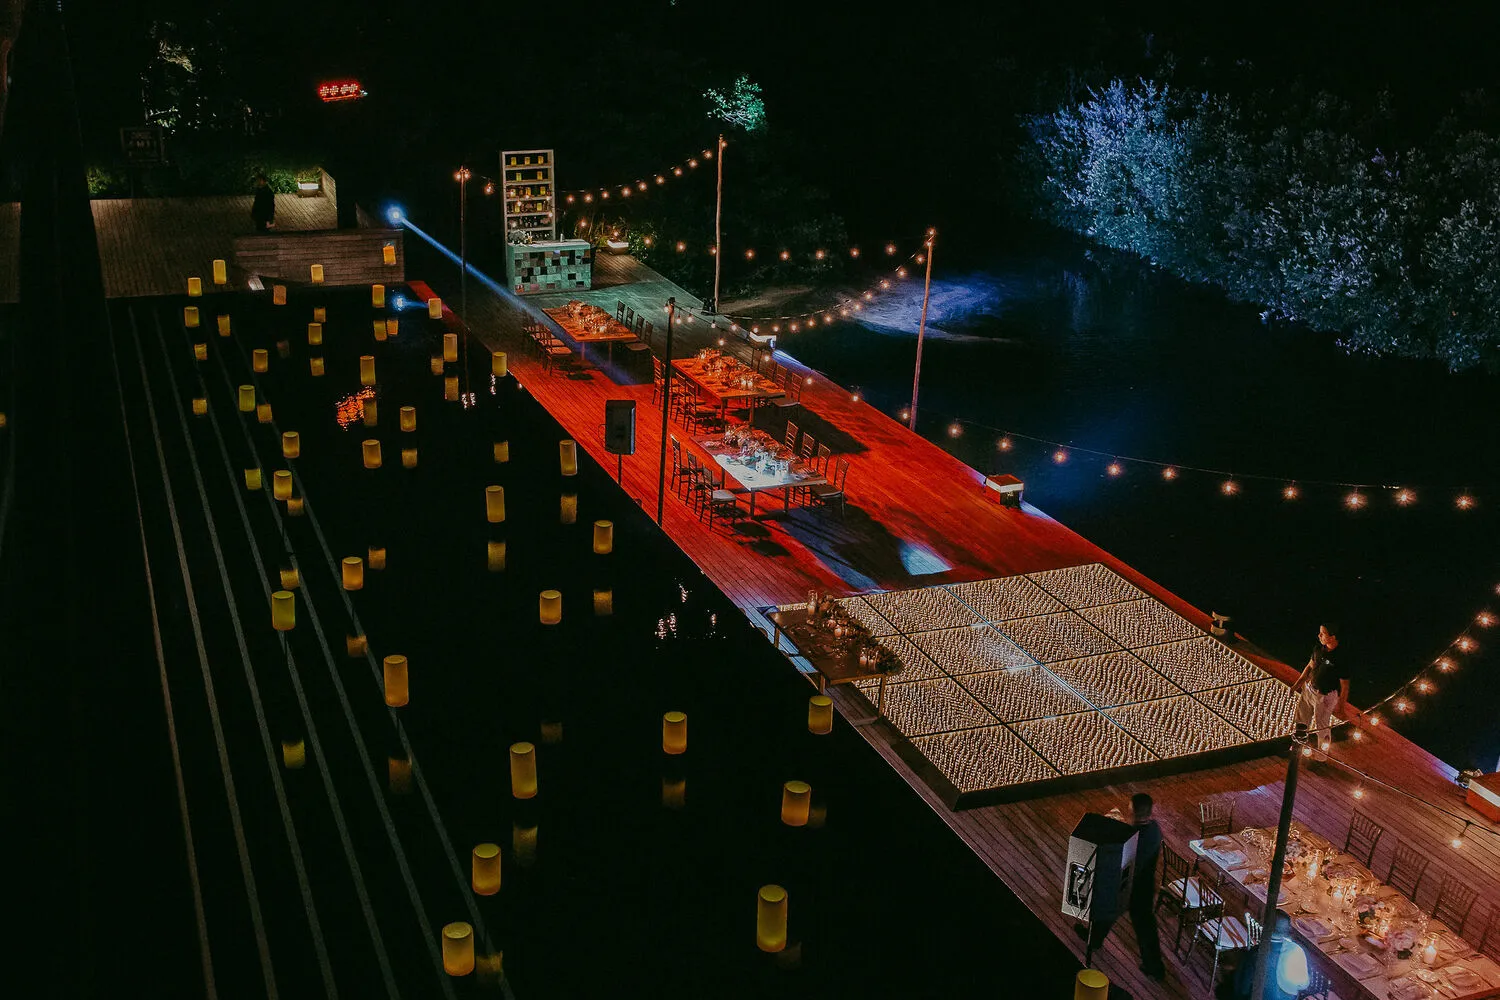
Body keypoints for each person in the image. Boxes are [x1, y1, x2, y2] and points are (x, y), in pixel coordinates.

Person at [1292, 622, 1351, 752]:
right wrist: (1297, 684)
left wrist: (1341, 708)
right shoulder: (1318, 649)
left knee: (1322, 727)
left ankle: (1321, 756)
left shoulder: (1341, 658)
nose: (1319, 635)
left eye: (1323, 633)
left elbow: (1345, 685)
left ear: (1333, 637)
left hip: (1325, 696)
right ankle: (1297, 747)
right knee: (1301, 719)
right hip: (1309, 690)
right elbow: (1309, 666)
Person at [1128, 792, 1166, 979]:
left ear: (1133, 809)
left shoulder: (1136, 837)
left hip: (1136, 888)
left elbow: (1133, 862)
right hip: (1147, 885)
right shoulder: (1154, 829)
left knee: (1144, 927)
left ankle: (1154, 966)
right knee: (1146, 925)